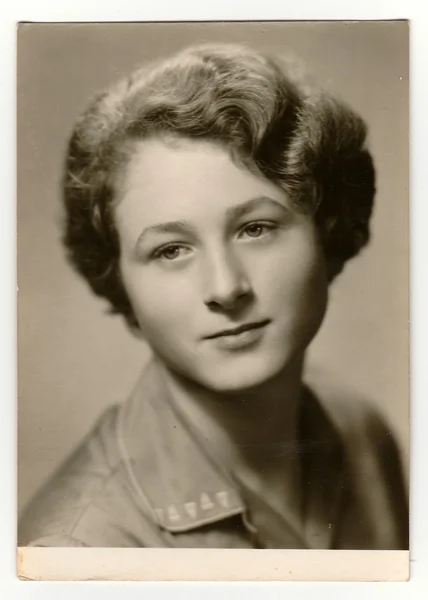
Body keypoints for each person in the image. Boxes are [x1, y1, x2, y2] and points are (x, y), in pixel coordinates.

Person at [18, 43, 408, 549]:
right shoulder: (78, 547)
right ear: (120, 282)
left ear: (326, 230)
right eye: (171, 250)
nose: (225, 288)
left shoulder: (362, 432)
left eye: (256, 228)